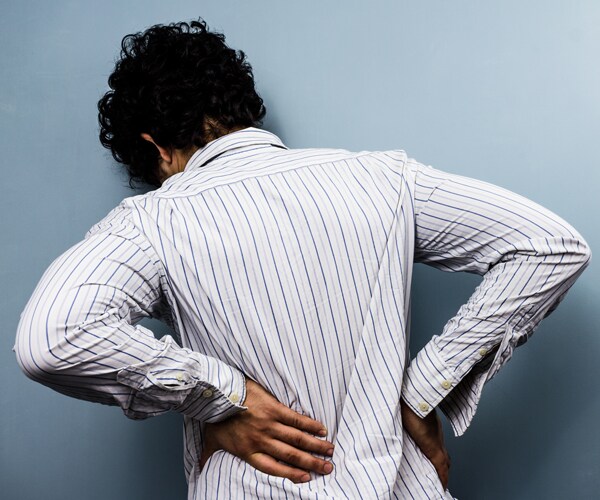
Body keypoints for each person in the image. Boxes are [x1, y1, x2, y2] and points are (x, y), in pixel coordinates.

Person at [14, 19, 590, 499]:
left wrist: (223, 395)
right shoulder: (382, 180)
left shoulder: (150, 222)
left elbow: (53, 338)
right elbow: (550, 246)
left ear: (154, 147)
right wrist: (422, 392)